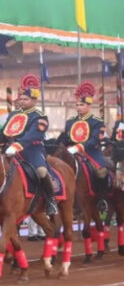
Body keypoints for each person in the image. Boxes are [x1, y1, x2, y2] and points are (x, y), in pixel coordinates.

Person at [0, 74, 57, 215]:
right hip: (9, 150)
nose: (22, 101)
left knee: (41, 172)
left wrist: (17, 146)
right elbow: (3, 133)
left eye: (26, 99)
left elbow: (34, 135)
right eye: (21, 99)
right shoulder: (13, 115)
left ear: (34, 100)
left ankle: (50, 200)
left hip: (32, 150)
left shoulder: (39, 116)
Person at [61, 81, 109, 210]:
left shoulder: (97, 122)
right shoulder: (70, 122)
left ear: (89, 106)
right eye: (77, 105)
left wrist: (79, 147)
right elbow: (65, 138)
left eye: (81, 105)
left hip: (91, 152)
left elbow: (94, 139)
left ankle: (101, 199)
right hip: (71, 151)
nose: (78, 107)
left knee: (101, 172)